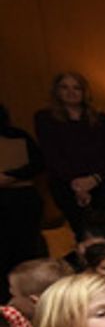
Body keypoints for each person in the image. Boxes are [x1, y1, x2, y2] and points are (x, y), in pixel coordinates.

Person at [32, 73, 105, 266]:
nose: (71, 92)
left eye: (76, 87)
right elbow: (52, 156)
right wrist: (78, 185)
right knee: (88, 239)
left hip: (103, 184)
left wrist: (94, 179)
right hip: (67, 186)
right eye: (65, 87)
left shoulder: (102, 120)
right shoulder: (45, 119)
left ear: (84, 92)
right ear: (57, 92)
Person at [0, 104, 48, 300]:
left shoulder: (17, 135)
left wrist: (11, 176)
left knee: (26, 251)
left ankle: (31, 298)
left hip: (22, 201)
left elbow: (39, 163)